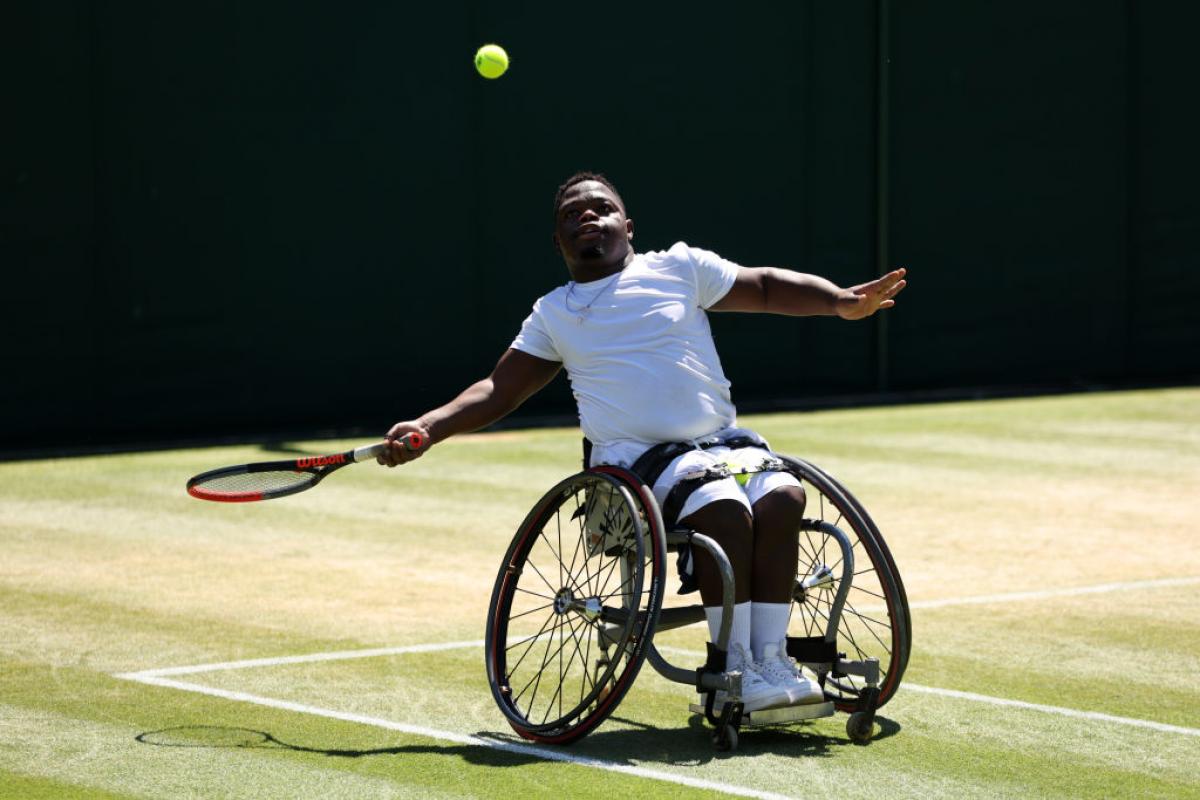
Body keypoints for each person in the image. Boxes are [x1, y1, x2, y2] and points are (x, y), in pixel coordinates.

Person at [379, 171, 907, 712]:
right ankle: (732, 669)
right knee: (723, 510)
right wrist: (430, 425)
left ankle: (769, 660)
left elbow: (766, 286)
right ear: (558, 242)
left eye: (601, 208)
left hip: (725, 445)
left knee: (784, 497)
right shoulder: (554, 312)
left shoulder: (678, 267)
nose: (588, 215)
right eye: (572, 214)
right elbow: (497, 389)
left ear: (628, 227)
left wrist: (839, 301)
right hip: (637, 465)